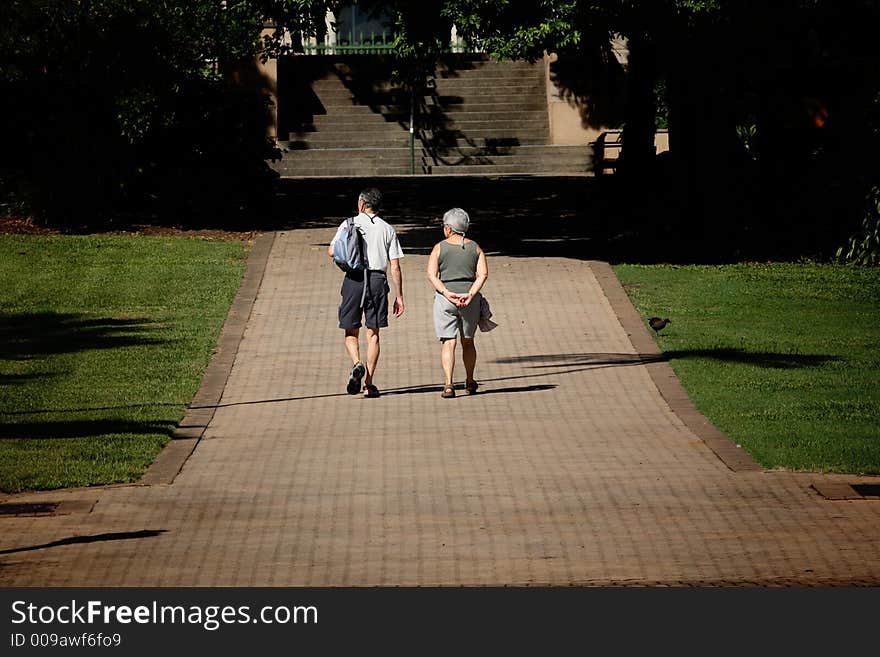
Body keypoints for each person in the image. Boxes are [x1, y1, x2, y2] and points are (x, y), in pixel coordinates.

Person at [328, 188, 404, 398]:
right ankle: (369, 383)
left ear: (362, 203)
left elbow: (332, 251)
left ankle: (356, 363)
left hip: (354, 280)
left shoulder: (349, 223)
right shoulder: (388, 229)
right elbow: (395, 267)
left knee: (350, 331)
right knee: (374, 334)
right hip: (377, 281)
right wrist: (399, 296)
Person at [426, 207, 488, 398]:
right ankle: (469, 380)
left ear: (448, 228)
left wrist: (445, 292)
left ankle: (448, 384)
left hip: (446, 299)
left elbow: (431, 274)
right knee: (468, 341)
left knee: (448, 342)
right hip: (469, 299)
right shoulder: (475, 247)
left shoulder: (439, 247)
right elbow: (483, 274)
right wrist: (470, 294)